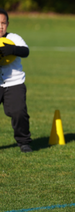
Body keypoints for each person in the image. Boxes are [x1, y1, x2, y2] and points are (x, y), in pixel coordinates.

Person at [0, 10, 32, 152]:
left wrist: (12, 49)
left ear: (8, 24)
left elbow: (25, 51)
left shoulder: (14, 38)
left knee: (19, 112)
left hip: (14, 83)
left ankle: (24, 141)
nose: (0, 26)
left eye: (3, 23)